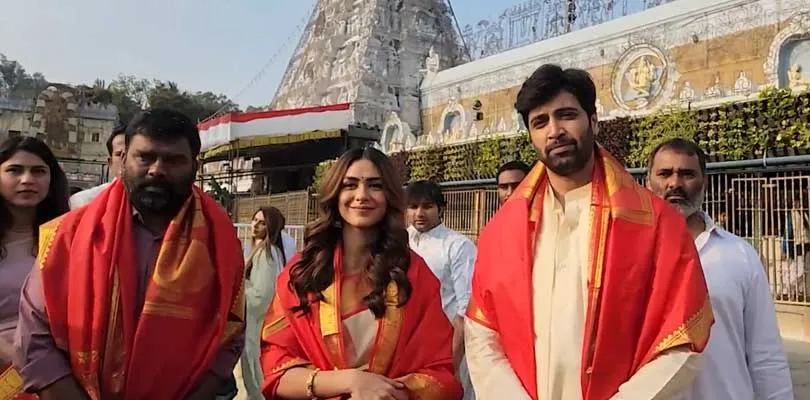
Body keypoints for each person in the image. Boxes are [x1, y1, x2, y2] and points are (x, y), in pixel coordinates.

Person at [464, 64, 713, 400]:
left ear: (593, 121)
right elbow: (482, 333)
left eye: (566, 115)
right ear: (531, 136)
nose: (554, 131)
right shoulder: (500, 233)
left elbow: (683, 336)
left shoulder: (657, 224)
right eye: (540, 122)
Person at [13, 108, 246, 399]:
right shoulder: (69, 234)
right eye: (145, 157)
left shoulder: (220, 240)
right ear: (123, 160)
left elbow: (230, 335)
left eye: (173, 160)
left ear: (194, 167)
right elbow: (35, 336)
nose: (157, 170)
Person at [260, 147, 462, 399]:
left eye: (375, 186)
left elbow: (441, 373)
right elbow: (276, 369)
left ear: (389, 196)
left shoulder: (413, 275)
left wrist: (383, 393)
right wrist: (350, 381)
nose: (362, 195)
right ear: (335, 194)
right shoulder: (303, 273)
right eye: (350, 185)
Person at [647, 138, 794, 399]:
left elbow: (766, 356)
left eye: (687, 174)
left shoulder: (739, 255)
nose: (675, 183)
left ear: (704, 182)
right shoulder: (625, 255)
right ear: (649, 182)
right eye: (665, 173)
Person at [0, 137, 69, 399]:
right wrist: (18, 358)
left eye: (38, 171)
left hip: (59, 370)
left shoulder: (70, 237)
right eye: (14, 170)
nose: (27, 180)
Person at [405, 180, 476, 399]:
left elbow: (465, 309)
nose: (419, 213)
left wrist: (452, 363)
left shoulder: (458, 246)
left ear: (441, 209)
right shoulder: (400, 242)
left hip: (446, 346)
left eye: (427, 206)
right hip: (407, 345)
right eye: (413, 206)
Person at [241, 206, 287, 400]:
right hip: (255, 323)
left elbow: (262, 296)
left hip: (256, 324)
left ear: (271, 227)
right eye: (254, 220)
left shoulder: (266, 254)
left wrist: (239, 293)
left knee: (254, 376)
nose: (255, 225)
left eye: (262, 223)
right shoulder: (262, 251)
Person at [69, 122, 126, 208]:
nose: (126, 159)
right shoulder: (83, 202)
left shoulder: (147, 204)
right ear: (110, 162)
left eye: (133, 154)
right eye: (119, 154)